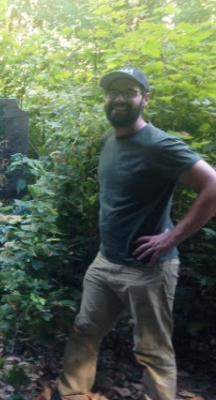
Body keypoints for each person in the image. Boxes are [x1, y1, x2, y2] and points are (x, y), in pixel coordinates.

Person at [54, 67, 216, 400]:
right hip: (106, 262)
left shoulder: (159, 144)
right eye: (113, 92)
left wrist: (172, 237)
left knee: (153, 352)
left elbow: (212, 184)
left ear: (145, 98)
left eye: (129, 91)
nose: (119, 99)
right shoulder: (111, 140)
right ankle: (70, 394)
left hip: (148, 269)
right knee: (84, 331)